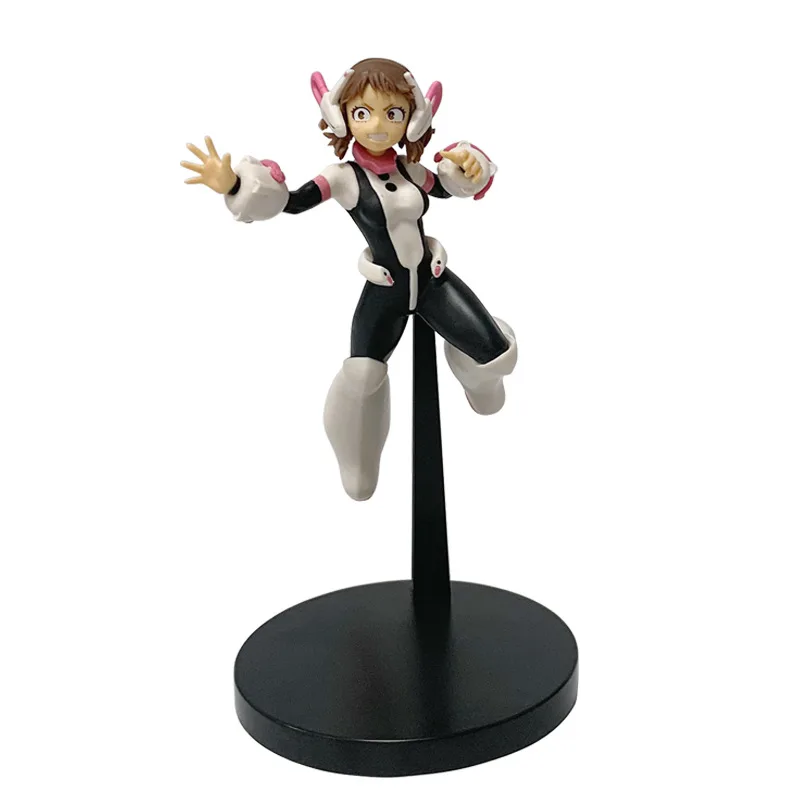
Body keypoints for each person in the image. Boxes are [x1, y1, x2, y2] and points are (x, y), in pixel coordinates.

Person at [181, 57, 517, 501]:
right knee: (361, 377)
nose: (377, 125)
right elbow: (293, 202)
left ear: (412, 119)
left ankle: (475, 376)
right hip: (385, 292)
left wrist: (470, 168)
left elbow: (447, 186)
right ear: (343, 118)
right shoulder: (342, 177)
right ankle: (357, 456)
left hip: (432, 282)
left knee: (497, 355)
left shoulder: (410, 170)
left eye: (392, 113)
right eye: (363, 112)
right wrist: (235, 185)